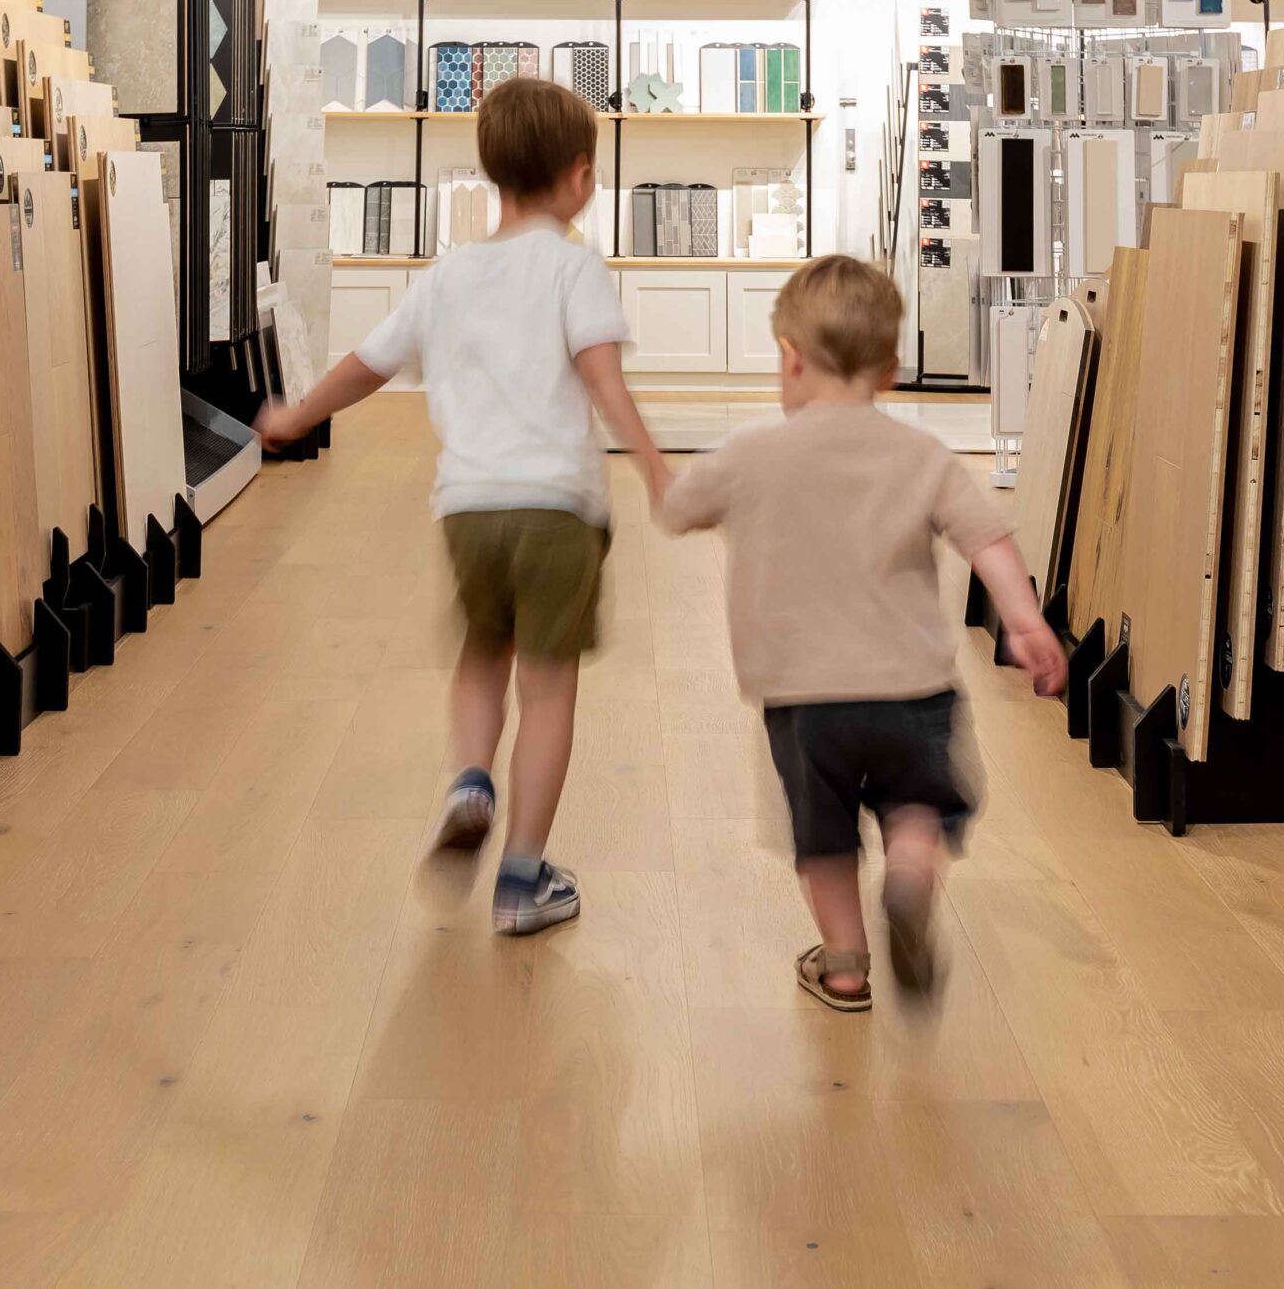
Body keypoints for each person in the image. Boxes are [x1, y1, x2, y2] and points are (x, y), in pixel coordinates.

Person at [255, 77, 669, 935]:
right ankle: (522, 878)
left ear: (491, 172)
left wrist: (296, 414)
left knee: (484, 653)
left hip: (468, 509)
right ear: (580, 177)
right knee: (548, 687)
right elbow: (602, 379)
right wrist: (659, 470)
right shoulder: (574, 267)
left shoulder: (450, 274)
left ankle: (470, 779)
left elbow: (367, 363)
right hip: (558, 506)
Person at [654, 254, 1065, 1009]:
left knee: (826, 841)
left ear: (790, 358)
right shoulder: (923, 455)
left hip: (804, 701)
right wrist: (1026, 621)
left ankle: (844, 965)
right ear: (893, 367)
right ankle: (910, 875)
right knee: (917, 805)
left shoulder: (752, 453)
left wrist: (648, 457)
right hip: (912, 689)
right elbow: (988, 541)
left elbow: (677, 507)